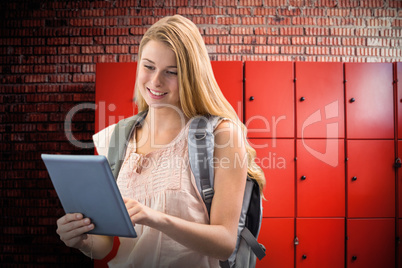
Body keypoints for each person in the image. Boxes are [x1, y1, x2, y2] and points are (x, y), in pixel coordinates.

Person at [56, 14, 265, 267]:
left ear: (191, 76)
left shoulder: (222, 135)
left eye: (171, 72)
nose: (155, 81)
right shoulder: (115, 138)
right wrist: (80, 240)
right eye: (149, 66)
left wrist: (155, 218)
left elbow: (224, 243)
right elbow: (103, 246)